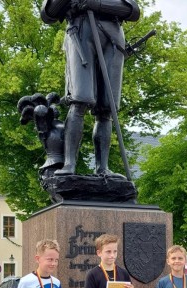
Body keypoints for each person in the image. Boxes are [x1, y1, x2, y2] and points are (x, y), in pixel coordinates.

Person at [40, 0, 140, 176]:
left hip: (113, 39)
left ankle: (103, 168)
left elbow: (133, 11)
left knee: (107, 108)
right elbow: (48, 15)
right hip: (80, 31)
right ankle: (69, 164)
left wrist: (97, 4)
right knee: (80, 99)